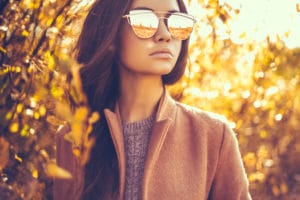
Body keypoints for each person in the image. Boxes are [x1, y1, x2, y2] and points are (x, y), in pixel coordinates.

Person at [54, 0, 252, 199]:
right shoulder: (72, 139)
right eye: (144, 20)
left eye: (176, 22)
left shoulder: (214, 136)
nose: (165, 34)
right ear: (112, 35)